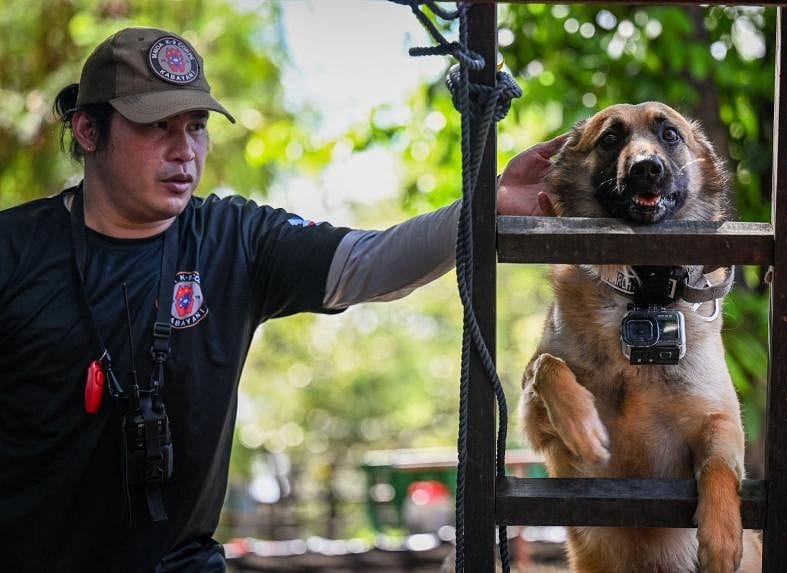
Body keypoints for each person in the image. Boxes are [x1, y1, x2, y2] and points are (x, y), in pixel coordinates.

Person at [0, 26, 565, 572]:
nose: (183, 150)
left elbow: (371, 262)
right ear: (88, 131)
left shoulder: (233, 237)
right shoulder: (15, 249)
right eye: (157, 126)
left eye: (196, 125)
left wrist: (484, 206)